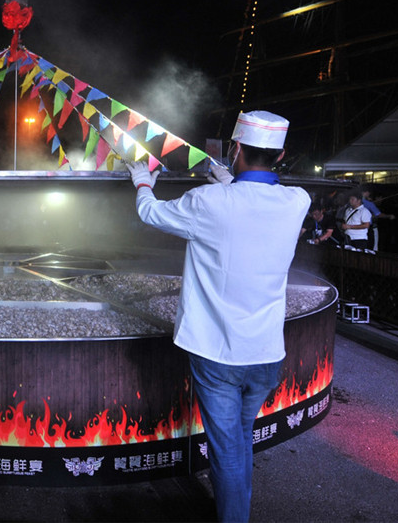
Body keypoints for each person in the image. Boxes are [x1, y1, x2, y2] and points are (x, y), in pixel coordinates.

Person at [125, 111, 310, 522]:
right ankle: (237, 510)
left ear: (236, 149)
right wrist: (232, 182)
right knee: (241, 439)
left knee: (227, 450)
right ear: (280, 155)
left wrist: (142, 182)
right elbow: (254, 206)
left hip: (217, 355)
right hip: (265, 354)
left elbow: (150, 214)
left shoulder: (206, 202)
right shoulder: (298, 202)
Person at [361, 186, 395, 252]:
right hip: (368, 228)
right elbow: (378, 214)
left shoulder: (355, 202)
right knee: (372, 248)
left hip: (358, 228)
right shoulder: (369, 203)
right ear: (366, 192)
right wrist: (390, 216)